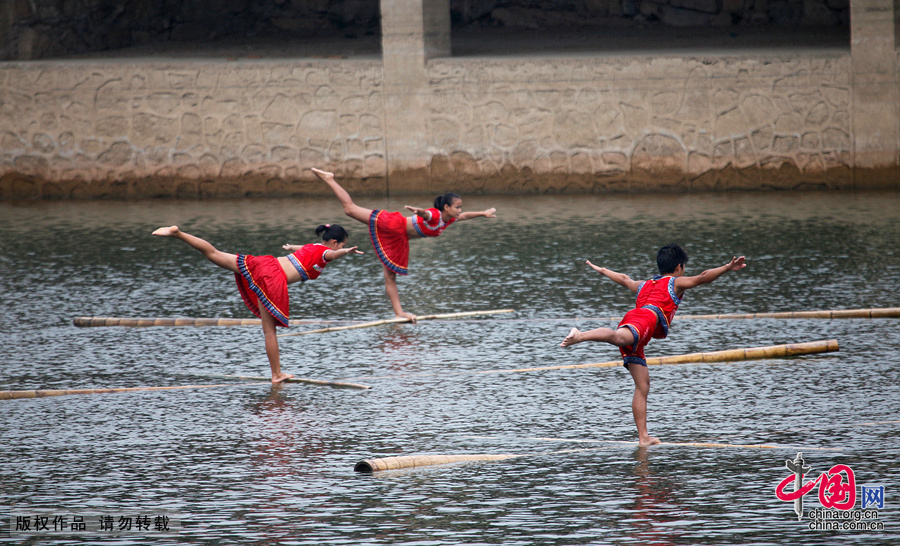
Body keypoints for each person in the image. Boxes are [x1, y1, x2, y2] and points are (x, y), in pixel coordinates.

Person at [560, 244, 746, 445]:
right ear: (679, 267)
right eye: (683, 268)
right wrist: (727, 268)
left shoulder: (644, 284)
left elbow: (624, 279)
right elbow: (702, 277)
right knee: (619, 337)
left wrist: (603, 270)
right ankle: (580, 335)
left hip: (637, 322)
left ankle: (643, 437)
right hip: (646, 318)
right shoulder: (675, 282)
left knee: (643, 385)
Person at [152, 224, 362, 384]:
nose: (342, 248)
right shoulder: (326, 253)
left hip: (265, 263)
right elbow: (332, 254)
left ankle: (178, 234)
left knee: (214, 253)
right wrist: (346, 252)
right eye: (342, 244)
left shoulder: (313, 247)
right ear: (334, 242)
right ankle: (277, 374)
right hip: (273, 278)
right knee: (270, 332)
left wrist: (290, 247)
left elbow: (304, 247)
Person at [312, 167, 497, 322]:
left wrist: (482, 213)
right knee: (350, 209)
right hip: (393, 225)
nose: (460, 210)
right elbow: (427, 215)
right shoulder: (436, 215)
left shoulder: (448, 219)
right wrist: (419, 211)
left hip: (400, 238)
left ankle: (399, 313)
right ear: (446, 207)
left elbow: (464, 216)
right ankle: (329, 179)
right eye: (457, 207)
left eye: (460, 207)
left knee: (390, 277)